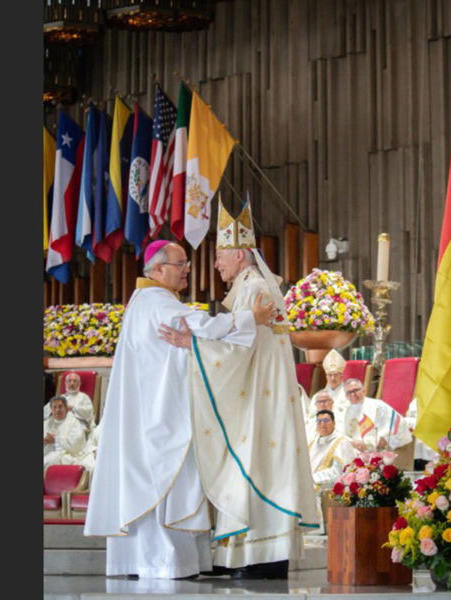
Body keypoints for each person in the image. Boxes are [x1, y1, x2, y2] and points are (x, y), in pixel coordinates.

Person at [83, 239, 276, 580]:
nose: (188, 269)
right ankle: (166, 563)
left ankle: (153, 563)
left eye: (187, 263)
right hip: (162, 415)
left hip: (154, 410)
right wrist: (252, 318)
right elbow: (202, 326)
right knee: (168, 482)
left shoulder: (144, 301)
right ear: (158, 270)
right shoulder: (156, 301)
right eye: (181, 263)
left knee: (160, 485)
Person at [160, 198, 319, 579]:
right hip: (260, 391)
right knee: (257, 466)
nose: (216, 264)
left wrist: (193, 346)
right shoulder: (254, 286)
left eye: (220, 255)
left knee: (252, 465)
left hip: (256, 395)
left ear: (240, 255)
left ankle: (257, 557)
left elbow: (235, 352)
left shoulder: (254, 287)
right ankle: (251, 555)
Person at [307, 409, 355, 534]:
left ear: (333, 423)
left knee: (308, 489)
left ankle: (313, 529)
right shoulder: (312, 443)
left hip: (326, 484)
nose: (322, 424)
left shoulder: (341, 442)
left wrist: (312, 478)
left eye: (326, 420)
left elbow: (339, 472)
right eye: (319, 421)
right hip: (309, 480)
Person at [343, 378, 412, 452]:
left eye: (356, 390)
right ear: (346, 396)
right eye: (349, 392)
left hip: (374, 451)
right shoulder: (344, 410)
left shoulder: (378, 406)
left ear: (363, 390)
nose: (353, 394)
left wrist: (384, 439)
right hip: (350, 450)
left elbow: (398, 423)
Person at [43, 395, 87, 470]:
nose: (57, 410)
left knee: (49, 461)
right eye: (54, 407)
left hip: (66, 456)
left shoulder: (73, 421)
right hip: (46, 454)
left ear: (66, 408)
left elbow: (77, 442)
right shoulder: (47, 423)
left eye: (60, 407)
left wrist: (55, 440)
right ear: (51, 409)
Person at [308, 350, 347, 425]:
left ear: (341, 377)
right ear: (326, 377)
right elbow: (311, 415)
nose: (332, 378)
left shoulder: (348, 394)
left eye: (335, 375)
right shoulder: (318, 396)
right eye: (330, 375)